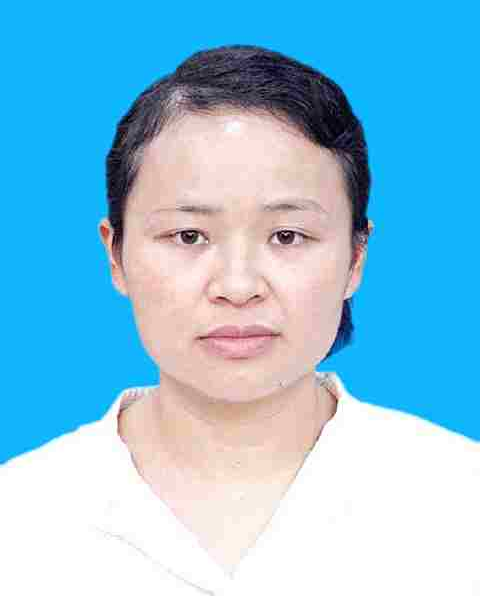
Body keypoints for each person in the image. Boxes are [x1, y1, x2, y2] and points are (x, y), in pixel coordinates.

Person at [1, 45, 478, 595]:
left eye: (287, 236)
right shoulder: (20, 516)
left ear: (355, 258)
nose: (237, 286)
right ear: (116, 256)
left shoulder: (461, 500)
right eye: (188, 236)